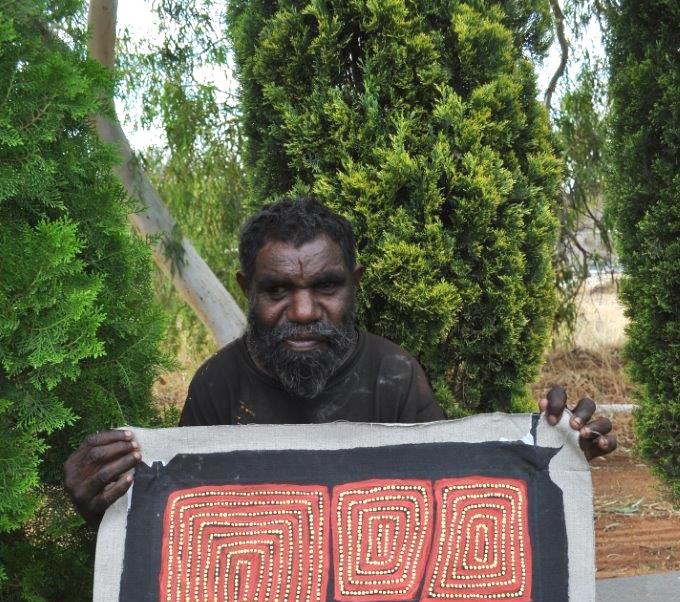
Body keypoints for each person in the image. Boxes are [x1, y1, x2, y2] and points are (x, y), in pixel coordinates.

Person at [65, 196, 616, 523]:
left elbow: (456, 506)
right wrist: (106, 499)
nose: (303, 311)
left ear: (352, 287)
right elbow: (181, 528)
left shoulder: (394, 375)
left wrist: (555, 457)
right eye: (277, 290)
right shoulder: (217, 386)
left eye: (325, 287)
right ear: (246, 290)